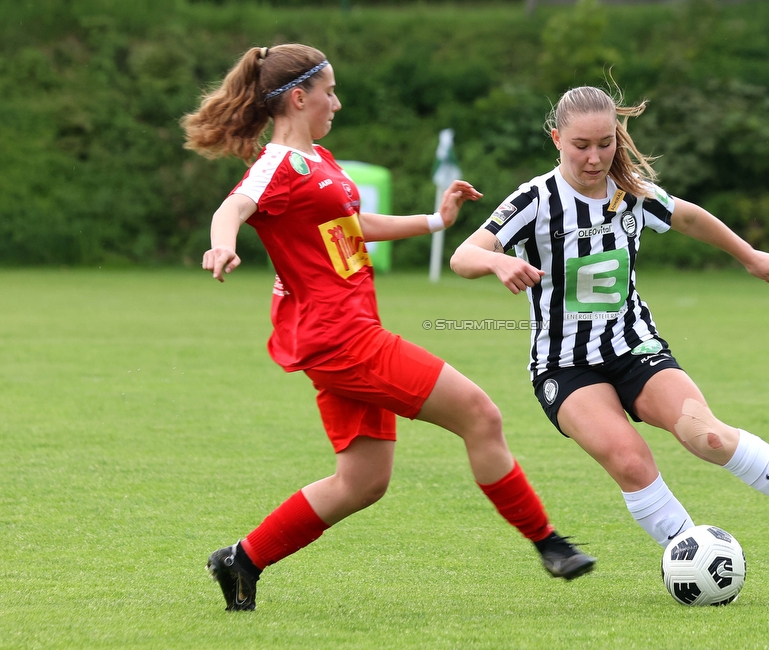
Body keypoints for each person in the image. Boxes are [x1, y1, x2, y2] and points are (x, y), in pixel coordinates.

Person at [180, 44, 595, 611]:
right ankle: (551, 545)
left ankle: (241, 561)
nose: (338, 102)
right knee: (481, 414)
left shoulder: (319, 160)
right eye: (330, 92)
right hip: (343, 340)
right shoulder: (277, 163)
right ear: (299, 97)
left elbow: (353, 225)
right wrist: (221, 247)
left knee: (362, 482)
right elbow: (232, 209)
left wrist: (436, 220)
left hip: (340, 337)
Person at [450, 85, 769, 558]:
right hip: (564, 365)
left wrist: (748, 255)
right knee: (629, 461)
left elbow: (688, 219)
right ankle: (693, 557)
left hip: (634, 346)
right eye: (581, 145)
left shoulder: (631, 194)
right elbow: (464, 255)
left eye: (606, 143)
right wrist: (497, 262)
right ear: (558, 139)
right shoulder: (534, 200)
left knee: (707, 436)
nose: (595, 157)